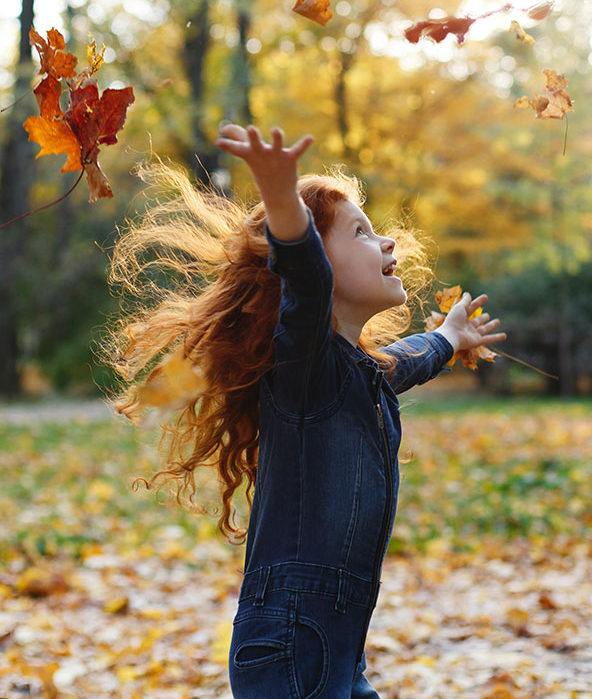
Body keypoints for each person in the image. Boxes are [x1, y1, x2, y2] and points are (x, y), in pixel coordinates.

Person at [106, 123, 505, 699]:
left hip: (334, 649)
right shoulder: (303, 367)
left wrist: (448, 335)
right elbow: (307, 275)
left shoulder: (360, 371)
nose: (387, 242)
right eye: (362, 233)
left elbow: (411, 359)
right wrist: (280, 194)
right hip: (291, 645)